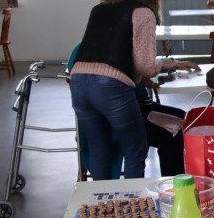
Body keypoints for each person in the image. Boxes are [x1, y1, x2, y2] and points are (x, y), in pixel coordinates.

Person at [70, 0, 196, 180]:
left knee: (100, 150)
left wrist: (140, 75)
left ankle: (102, 207)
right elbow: (147, 67)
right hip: (110, 88)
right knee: (135, 151)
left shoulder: (99, 9)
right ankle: (131, 206)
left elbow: (109, 54)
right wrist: (164, 64)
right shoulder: (143, 13)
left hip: (79, 82)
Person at [68, 42, 189, 178]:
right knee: (174, 131)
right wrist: (162, 64)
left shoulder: (81, 49)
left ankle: (103, 193)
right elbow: (139, 71)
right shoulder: (118, 46)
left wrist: (143, 79)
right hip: (122, 112)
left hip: (108, 111)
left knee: (183, 118)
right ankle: (172, 188)